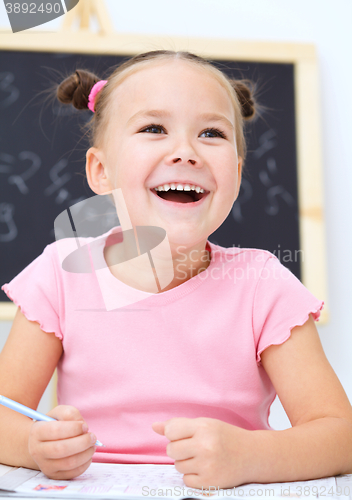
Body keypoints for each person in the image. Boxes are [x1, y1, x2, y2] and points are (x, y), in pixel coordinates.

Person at [1, 50, 352, 489]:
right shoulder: (60, 273)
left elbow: (341, 436)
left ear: (237, 173)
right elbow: (3, 417)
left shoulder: (263, 285)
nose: (185, 152)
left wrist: (249, 457)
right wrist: (36, 446)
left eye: (210, 132)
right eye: (154, 128)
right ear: (101, 171)